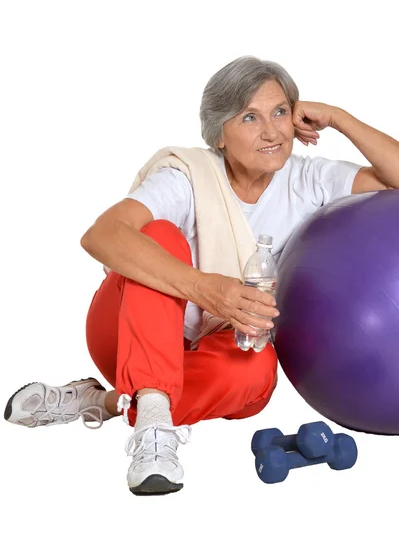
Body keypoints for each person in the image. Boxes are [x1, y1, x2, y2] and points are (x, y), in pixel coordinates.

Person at [5, 56, 399, 496]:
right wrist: (207, 289)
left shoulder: (310, 178)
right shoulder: (188, 176)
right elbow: (101, 235)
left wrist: (341, 119)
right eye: (250, 117)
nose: (271, 131)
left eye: (280, 112)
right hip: (125, 333)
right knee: (159, 235)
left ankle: (105, 401)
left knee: (255, 376)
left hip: (206, 355)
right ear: (219, 136)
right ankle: (153, 428)